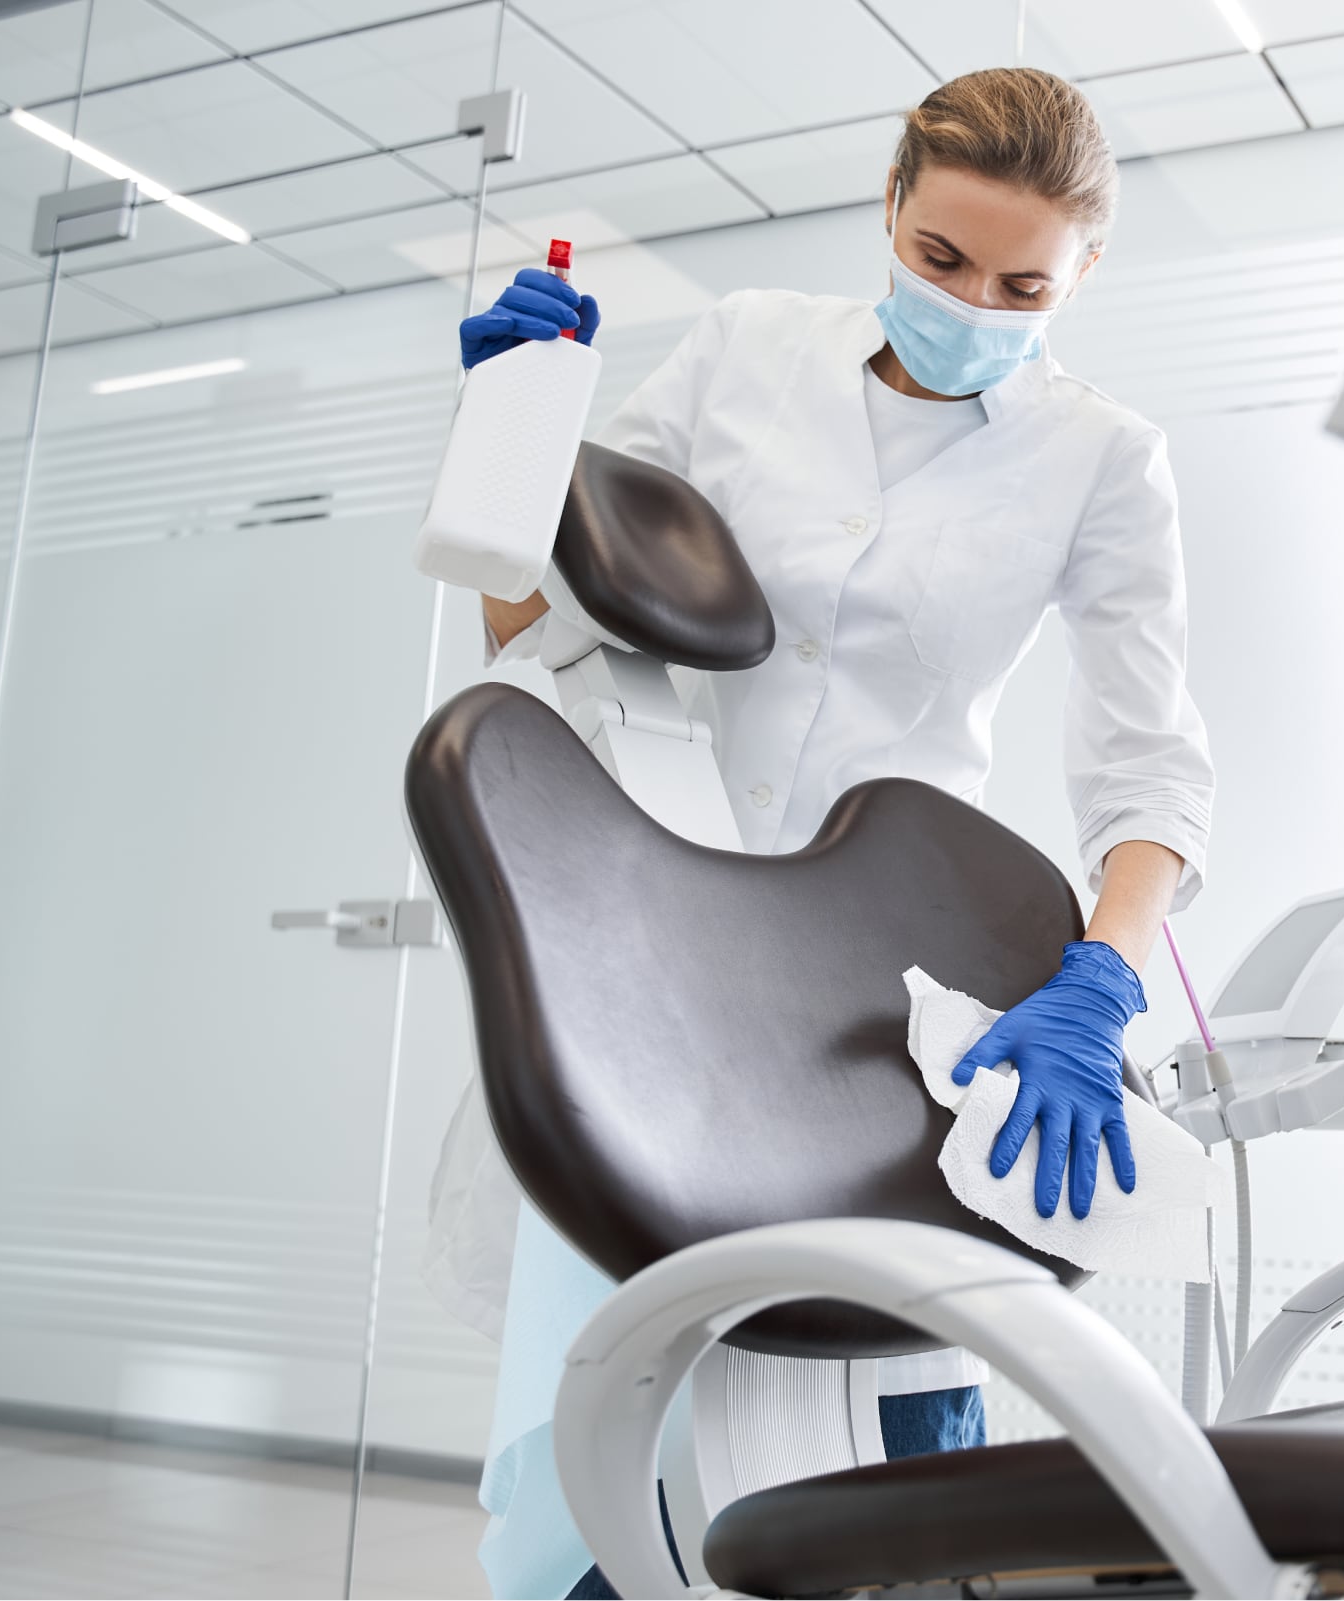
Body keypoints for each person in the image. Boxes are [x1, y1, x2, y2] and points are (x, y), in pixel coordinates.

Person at [447, 67, 1213, 1598]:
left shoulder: (1102, 456)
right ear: (891, 208)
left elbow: (1151, 772)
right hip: (663, 955)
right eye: (941, 257)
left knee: (873, 1443)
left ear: (1084, 273)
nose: (973, 304)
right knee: (622, 1433)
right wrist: (510, 443)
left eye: (1022, 286)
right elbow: (544, 634)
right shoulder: (744, 349)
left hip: (885, 994)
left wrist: (1104, 980)